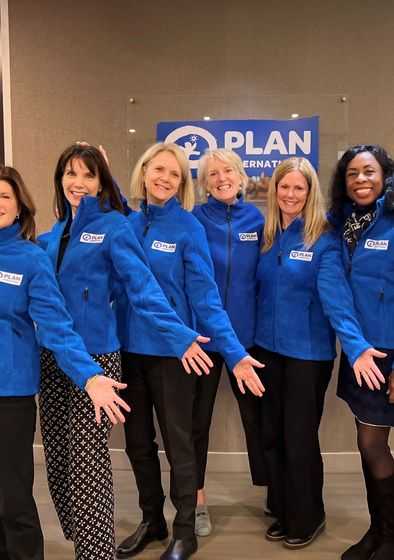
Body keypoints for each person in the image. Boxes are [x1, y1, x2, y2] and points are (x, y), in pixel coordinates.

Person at [39, 144, 211, 560]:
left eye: (88, 175)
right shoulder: (57, 231)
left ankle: (180, 531)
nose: (78, 183)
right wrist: (102, 168)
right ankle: (151, 522)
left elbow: (146, 289)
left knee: (96, 464)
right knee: (90, 457)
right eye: (71, 174)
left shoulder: (121, 227)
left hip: (106, 357)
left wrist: (182, 334)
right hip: (62, 357)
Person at [0, 163, 127, 560]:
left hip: (6, 397)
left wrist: (91, 377)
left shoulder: (31, 259)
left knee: (14, 503)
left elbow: (58, 328)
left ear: (19, 206)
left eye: (5, 196)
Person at [114, 142, 265, 560]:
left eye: (174, 174)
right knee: (138, 443)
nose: (164, 178)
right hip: (128, 350)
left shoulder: (188, 228)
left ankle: (185, 529)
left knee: (179, 443)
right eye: (158, 170)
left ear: (182, 184)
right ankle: (151, 519)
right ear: (143, 172)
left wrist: (233, 353)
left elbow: (206, 298)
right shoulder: (125, 223)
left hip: (175, 353)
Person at [255, 157, 385, 550]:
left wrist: (356, 344)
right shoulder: (268, 235)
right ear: (274, 190)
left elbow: (336, 297)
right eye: (284, 186)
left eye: (299, 188)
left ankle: (309, 515)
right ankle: (282, 508)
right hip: (266, 350)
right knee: (273, 433)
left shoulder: (324, 238)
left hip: (307, 354)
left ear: (310, 193)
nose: (290, 194)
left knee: (298, 437)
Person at [328, 145, 394, 560]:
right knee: (363, 440)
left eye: (369, 172)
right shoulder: (345, 223)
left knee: (373, 444)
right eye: (352, 174)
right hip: (357, 353)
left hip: (389, 355)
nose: (361, 180)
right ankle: (377, 530)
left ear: (387, 176)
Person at [190, 148, 267, 536]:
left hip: (245, 341)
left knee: (258, 419)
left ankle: (273, 492)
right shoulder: (193, 220)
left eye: (227, 171)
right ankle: (197, 501)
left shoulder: (258, 218)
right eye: (211, 174)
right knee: (197, 424)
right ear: (204, 182)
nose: (220, 178)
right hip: (203, 341)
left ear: (240, 176)